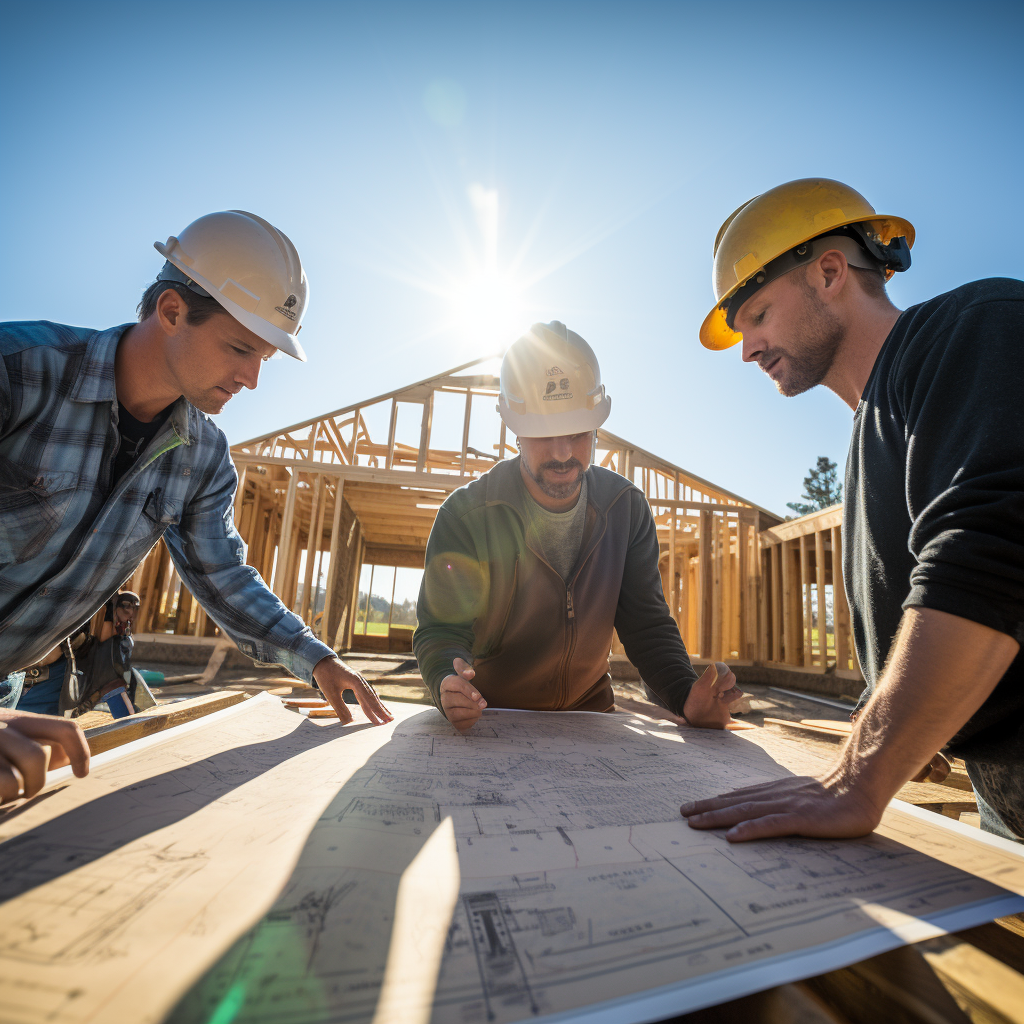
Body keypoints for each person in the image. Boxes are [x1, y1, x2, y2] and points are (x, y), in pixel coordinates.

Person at [680, 178, 1024, 843]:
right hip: (1000, 795)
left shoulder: (978, 326)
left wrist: (862, 773)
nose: (748, 349)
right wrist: (897, 714)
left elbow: (992, 549)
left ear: (831, 272)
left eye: (758, 315)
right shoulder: (872, 440)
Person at [0, 210, 391, 771]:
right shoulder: (18, 373)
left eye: (264, 358)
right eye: (240, 349)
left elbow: (223, 574)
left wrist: (316, 659)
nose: (252, 378)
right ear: (172, 311)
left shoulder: (202, 458)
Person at [414, 320, 743, 733]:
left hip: (589, 721)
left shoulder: (625, 510)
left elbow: (646, 626)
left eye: (577, 432)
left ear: (596, 425)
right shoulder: (467, 517)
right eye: (543, 433)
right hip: (493, 721)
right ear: (515, 429)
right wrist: (447, 679)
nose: (562, 452)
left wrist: (684, 694)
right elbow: (441, 630)